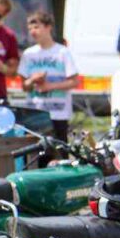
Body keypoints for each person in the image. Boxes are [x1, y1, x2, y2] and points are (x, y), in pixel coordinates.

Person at [19, 11, 80, 144]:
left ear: (48, 27)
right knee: (38, 154)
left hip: (58, 113)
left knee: (59, 151)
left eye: (36, 27)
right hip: (36, 112)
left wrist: (50, 86)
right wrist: (32, 80)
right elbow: (24, 86)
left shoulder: (62, 52)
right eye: (30, 29)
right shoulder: (29, 54)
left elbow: (75, 81)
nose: (33, 32)